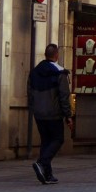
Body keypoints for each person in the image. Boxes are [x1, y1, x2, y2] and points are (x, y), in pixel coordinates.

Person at [27, 44, 72, 184]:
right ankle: (42, 163)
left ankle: (47, 174)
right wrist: (68, 116)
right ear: (56, 55)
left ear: (46, 55)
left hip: (39, 113)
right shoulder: (60, 73)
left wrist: (33, 108)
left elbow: (29, 92)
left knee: (46, 141)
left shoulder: (34, 72)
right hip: (54, 113)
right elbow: (64, 96)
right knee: (58, 139)